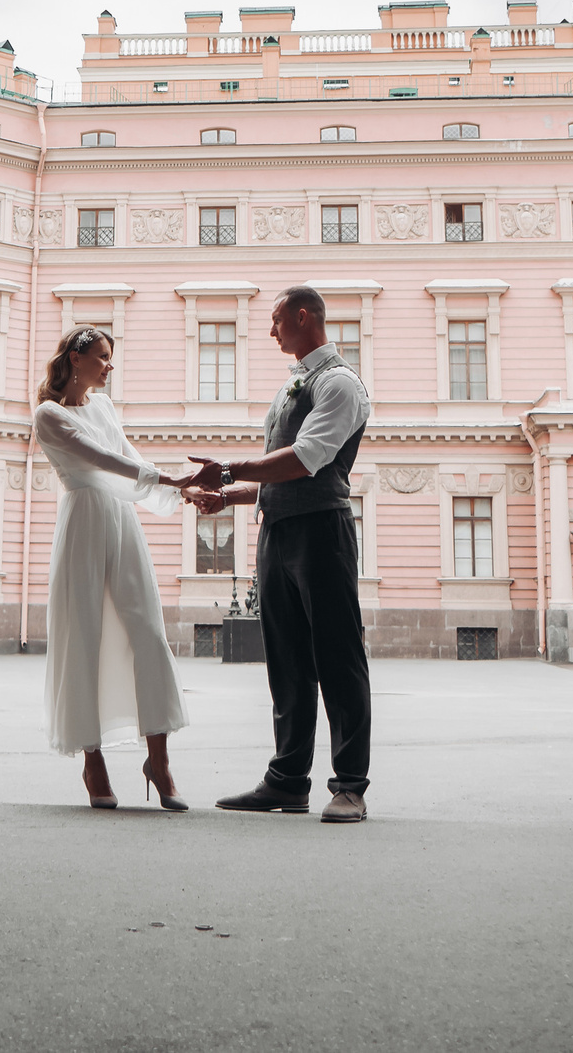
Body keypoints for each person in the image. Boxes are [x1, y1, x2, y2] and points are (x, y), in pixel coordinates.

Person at [183, 284, 373, 823]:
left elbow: (308, 459)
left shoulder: (339, 384)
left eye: (276, 320)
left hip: (322, 533)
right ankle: (288, 780)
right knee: (287, 661)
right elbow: (280, 478)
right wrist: (228, 497)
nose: (270, 331)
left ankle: (349, 787)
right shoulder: (295, 383)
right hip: (280, 532)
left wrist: (228, 470)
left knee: (337, 658)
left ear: (303, 316)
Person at [31, 326, 192, 811]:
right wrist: (168, 478)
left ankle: (158, 760)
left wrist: (181, 490)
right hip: (83, 522)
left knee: (146, 629)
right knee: (85, 633)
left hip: (120, 521)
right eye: (102, 357)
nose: (109, 366)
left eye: (111, 358)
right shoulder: (48, 415)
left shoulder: (104, 407)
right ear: (76, 359)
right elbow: (97, 459)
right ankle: (92, 757)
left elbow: (127, 457)